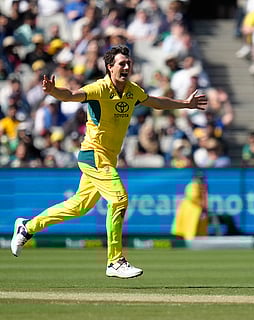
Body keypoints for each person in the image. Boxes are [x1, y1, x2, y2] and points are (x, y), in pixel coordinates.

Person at [10, 45, 207, 278]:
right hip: (93, 155)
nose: (126, 67)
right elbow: (72, 95)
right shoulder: (100, 88)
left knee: (78, 206)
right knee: (120, 199)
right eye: (121, 64)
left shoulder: (132, 90)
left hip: (107, 159)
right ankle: (115, 261)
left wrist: (185, 104)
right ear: (110, 67)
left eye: (128, 63)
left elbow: (156, 101)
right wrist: (54, 92)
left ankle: (27, 226)